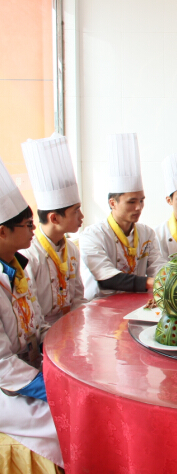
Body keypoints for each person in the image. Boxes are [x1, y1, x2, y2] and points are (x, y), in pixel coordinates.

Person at [0, 157, 63, 468]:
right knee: (60, 420)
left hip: (28, 370)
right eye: (27, 225)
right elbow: (2, 365)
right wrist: (49, 387)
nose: (33, 231)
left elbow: (37, 325)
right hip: (6, 386)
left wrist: (66, 350)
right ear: (2, 232)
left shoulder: (18, 269)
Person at [80, 133, 165, 300]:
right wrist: (153, 282)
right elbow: (107, 277)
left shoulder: (146, 233)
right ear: (113, 203)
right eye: (131, 202)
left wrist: (169, 277)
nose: (138, 207)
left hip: (138, 303)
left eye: (141, 201)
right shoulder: (93, 235)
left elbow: (157, 267)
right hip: (102, 306)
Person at [21, 134, 87, 325]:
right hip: (44, 333)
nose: (82, 216)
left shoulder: (71, 249)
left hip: (71, 327)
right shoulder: (29, 255)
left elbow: (78, 298)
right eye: (76, 211)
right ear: (54, 218)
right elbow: (33, 314)